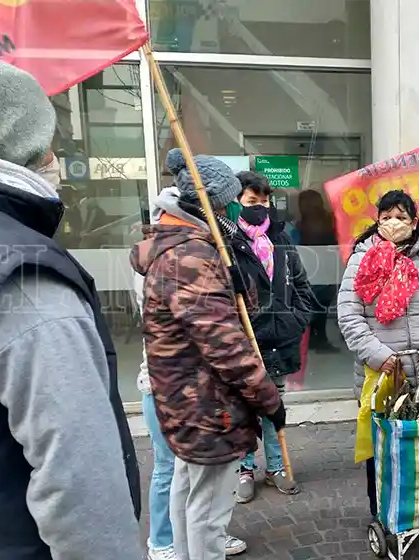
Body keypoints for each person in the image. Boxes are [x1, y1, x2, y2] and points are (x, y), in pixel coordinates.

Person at [0, 52, 143, 559]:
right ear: (13, 139)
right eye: (48, 141)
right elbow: (79, 481)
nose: (55, 157)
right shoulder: (21, 275)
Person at [132, 148, 286, 560]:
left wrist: (235, 277)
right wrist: (268, 398)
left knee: (189, 493)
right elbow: (225, 346)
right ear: (211, 204)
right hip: (205, 405)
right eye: (229, 202)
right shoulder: (191, 257)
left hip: (190, 401)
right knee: (207, 512)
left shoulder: (191, 248)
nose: (236, 210)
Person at [337, 190, 419, 519]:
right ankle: (384, 513)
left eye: (401, 217)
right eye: (386, 216)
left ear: (414, 222)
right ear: (377, 220)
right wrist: (378, 355)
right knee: (382, 449)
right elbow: (349, 316)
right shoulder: (361, 258)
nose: (393, 223)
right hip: (381, 375)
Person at [135, 242, 249, 559]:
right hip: (181, 394)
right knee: (172, 473)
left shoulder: (172, 261)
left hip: (186, 392)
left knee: (187, 481)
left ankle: (186, 544)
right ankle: (162, 542)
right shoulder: (173, 269)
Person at [228, 171, 313, 502]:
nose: (260, 208)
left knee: (274, 406)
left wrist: (297, 319)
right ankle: (245, 469)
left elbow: (301, 283)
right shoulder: (229, 243)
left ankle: (276, 467)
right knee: (245, 410)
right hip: (246, 343)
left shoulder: (281, 238)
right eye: (252, 202)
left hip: (279, 339)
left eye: (264, 201)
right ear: (237, 202)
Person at [295, 189, 341, 352]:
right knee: (320, 305)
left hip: (313, 267)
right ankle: (318, 339)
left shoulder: (302, 223)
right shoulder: (327, 220)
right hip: (323, 267)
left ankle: (314, 339)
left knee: (316, 305)